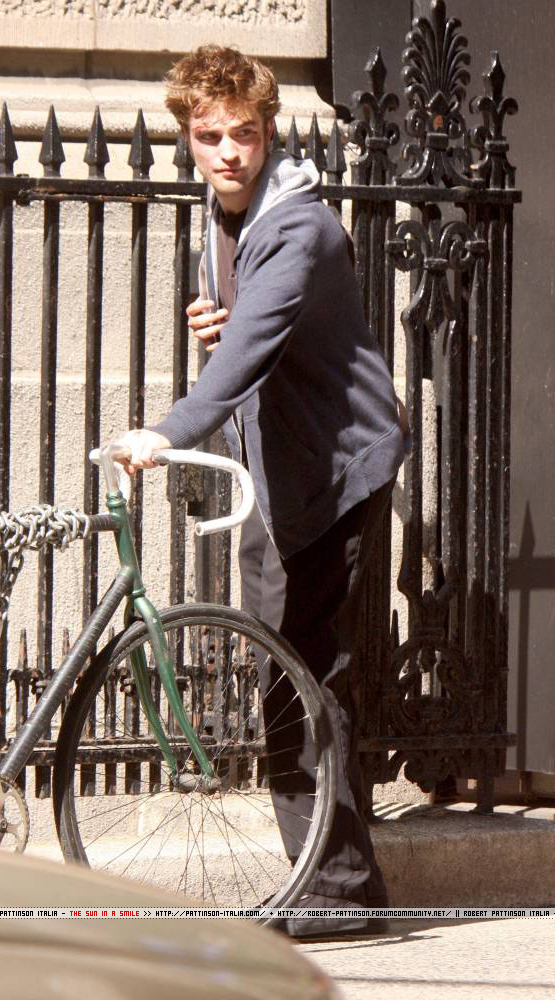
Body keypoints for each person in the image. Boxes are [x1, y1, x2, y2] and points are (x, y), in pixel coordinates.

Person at [117, 45, 407, 939]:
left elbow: (250, 350)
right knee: (291, 670)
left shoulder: (299, 226)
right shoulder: (223, 214)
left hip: (333, 470)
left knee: (300, 675)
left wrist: (167, 432)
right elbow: (250, 338)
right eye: (210, 137)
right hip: (277, 467)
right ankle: (344, 880)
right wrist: (223, 323)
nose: (228, 153)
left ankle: (337, 891)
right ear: (188, 138)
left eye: (244, 133)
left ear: (269, 130)